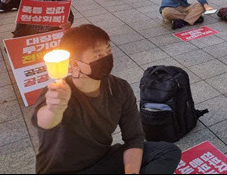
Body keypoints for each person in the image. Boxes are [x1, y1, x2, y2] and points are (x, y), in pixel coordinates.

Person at [31, 24, 181, 174]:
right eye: (98, 55)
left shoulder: (119, 87)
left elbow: (134, 137)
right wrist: (53, 108)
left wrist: (132, 174)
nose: (106, 59)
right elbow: (45, 121)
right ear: (75, 63)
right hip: (64, 172)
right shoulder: (59, 93)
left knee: (167, 152)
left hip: (101, 161)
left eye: (108, 51)